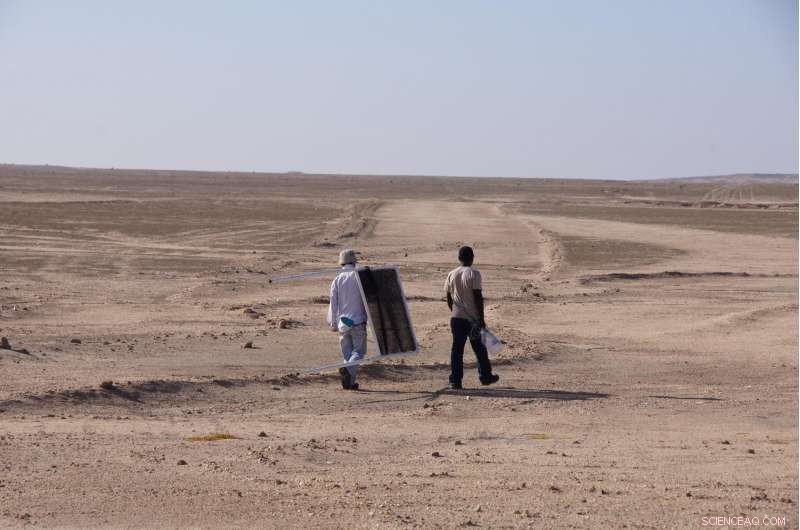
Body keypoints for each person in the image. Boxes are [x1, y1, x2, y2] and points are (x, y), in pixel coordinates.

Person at [443, 246, 500, 390]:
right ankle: (485, 376)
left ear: (459, 258)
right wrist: (481, 319)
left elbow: (449, 298)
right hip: (473, 320)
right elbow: (477, 297)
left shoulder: (451, 274)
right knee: (480, 349)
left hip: (456, 318)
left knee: (457, 350)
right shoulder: (474, 273)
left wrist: (455, 312)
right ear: (472, 258)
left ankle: (455, 381)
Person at [327, 249, 368, 390]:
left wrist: (332, 322)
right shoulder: (359, 277)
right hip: (358, 321)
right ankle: (348, 370)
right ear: (354, 262)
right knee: (358, 353)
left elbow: (333, 302)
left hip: (343, 323)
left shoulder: (337, 279)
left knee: (348, 354)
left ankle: (350, 382)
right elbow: (367, 299)